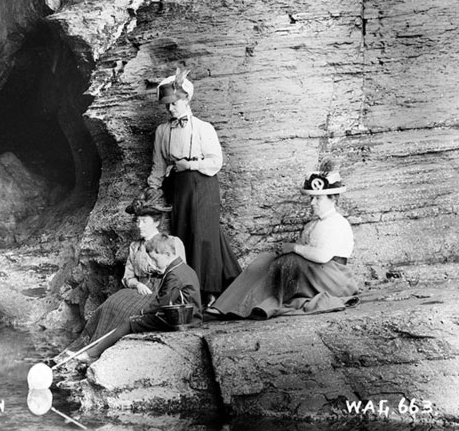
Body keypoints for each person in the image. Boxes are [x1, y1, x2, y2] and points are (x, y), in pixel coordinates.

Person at [207, 158, 359, 319]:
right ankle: (226, 305)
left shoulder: (337, 223)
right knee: (265, 260)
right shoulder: (313, 224)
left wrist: (293, 248)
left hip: (333, 279)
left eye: (318, 198)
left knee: (286, 262)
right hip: (314, 275)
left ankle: (245, 306)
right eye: (311, 198)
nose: (312, 203)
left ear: (333, 199)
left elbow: (322, 257)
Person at [145, 68, 240, 301]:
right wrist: (152, 188)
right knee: (183, 234)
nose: (170, 108)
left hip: (204, 184)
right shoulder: (162, 131)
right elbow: (158, 165)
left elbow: (216, 161)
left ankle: (210, 292)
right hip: (178, 188)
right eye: (166, 105)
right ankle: (189, 290)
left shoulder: (203, 128)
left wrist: (192, 166)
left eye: (174, 103)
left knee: (204, 235)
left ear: (186, 99)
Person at [59, 198, 186, 362]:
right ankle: (88, 348)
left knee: (128, 311)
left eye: (144, 221)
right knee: (110, 304)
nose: (139, 225)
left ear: (156, 222)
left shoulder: (173, 242)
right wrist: (137, 284)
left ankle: (99, 353)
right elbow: (128, 277)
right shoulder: (135, 246)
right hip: (139, 289)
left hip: (164, 290)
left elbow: (181, 271)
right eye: (138, 221)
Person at [65, 234, 202, 361]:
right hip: (189, 316)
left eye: (155, 259)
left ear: (167, 254)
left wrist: (143, 312)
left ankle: (92, 354)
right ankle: (93, 351)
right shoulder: (181, 268)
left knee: (130, 322)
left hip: (181, 320)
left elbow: (163, 301)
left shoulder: (174, 274)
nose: (154, 263)